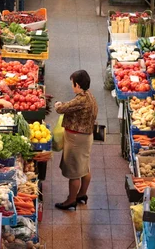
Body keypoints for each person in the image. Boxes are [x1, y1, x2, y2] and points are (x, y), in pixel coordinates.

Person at [54, 70, 98, 211]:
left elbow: (61, 109)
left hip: (76, 139)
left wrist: (57, 105)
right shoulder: (89, 95)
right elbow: (74, 105)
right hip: (86, 137)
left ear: (77, 85)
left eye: (72, 84)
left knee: (74, 172)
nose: (72, 87)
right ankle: (82, 194)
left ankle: (71, 200)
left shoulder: (81, 99)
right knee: (84, 167)